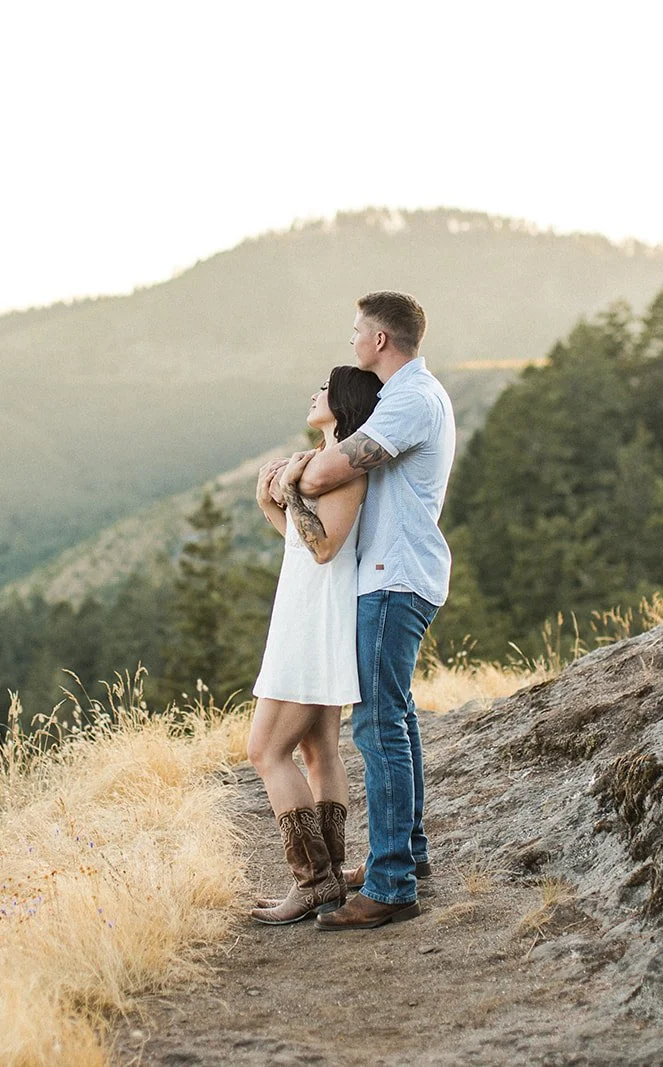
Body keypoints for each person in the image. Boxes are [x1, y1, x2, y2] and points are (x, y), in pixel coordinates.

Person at [277, 290, 456, 931]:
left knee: (377, 729)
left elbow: (332, 472)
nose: (352, 340)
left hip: (392, 579)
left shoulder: (409, 400)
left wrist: (290, 474)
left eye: (357, 331)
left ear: (381, 340)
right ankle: (403, 857)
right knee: (395, 722)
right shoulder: (412, 396)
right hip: (396, 576)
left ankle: (390, 885)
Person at [247, 364, 384, 925]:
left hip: (311, 624)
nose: (313, 393)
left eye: (324, 389)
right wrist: (272, 504)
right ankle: (331, 872)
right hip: (315, 614)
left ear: (344, 403)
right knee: (316, 750)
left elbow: (324, 548)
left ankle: (312, 881)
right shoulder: (322, 466)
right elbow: (305, 546)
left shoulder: (343, 467)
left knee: (265, 751)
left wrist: (290, 489)